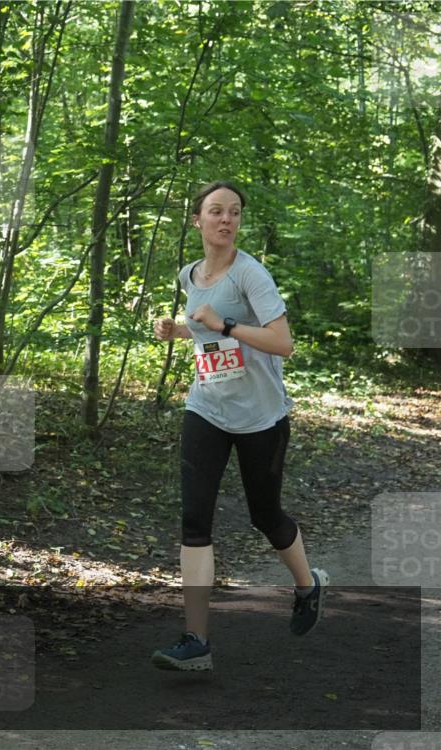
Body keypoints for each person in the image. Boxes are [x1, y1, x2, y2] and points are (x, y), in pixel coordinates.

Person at [150, 180, 327, 671]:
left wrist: (224, 325)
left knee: (265, 516)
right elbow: (205, 331)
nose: (226, 219)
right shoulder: (189, 274)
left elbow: (283, 343)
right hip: (207, 408)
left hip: (260, 416)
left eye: (233, 212)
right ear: (197, 220)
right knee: (194, 520)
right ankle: (196, 641)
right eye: (216, 211)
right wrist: (178, 330)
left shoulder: (252, 274)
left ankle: (308, 585)